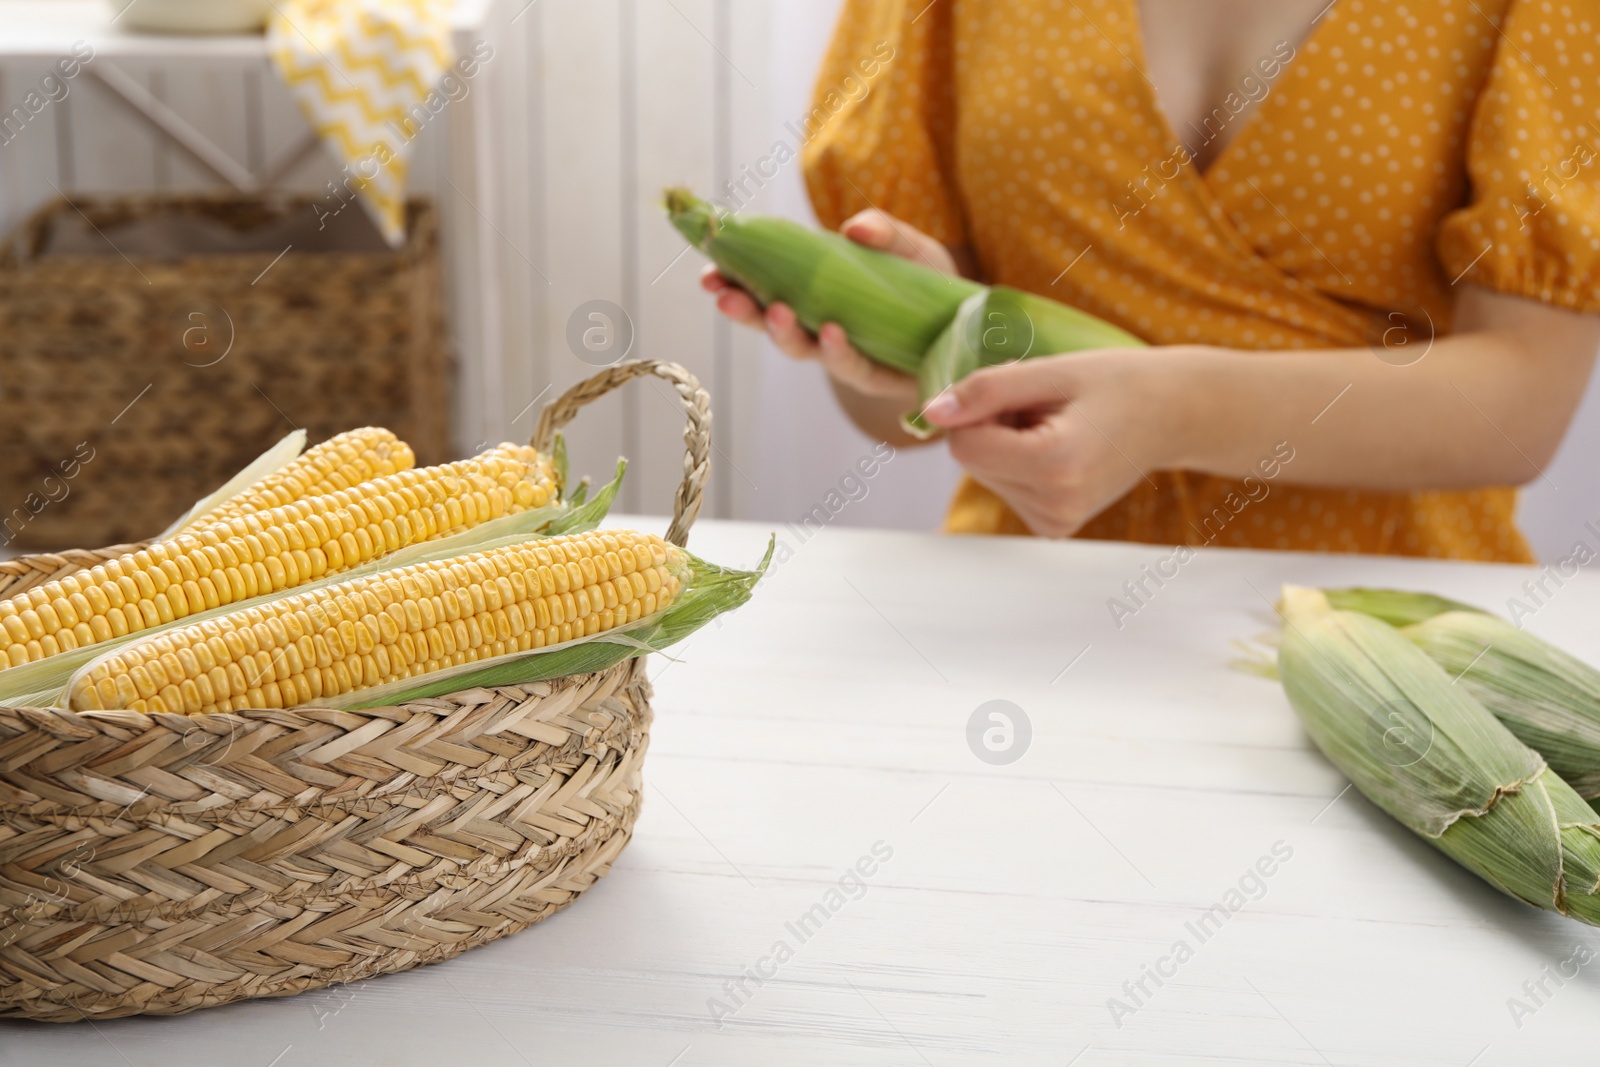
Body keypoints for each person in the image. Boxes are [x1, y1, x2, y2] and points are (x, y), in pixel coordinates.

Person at [701, 0, 1600, 559]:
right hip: (1027, 619)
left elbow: (1521, 406)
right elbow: (895, 418)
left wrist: (1170, 410)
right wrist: (921, 342)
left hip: (1394, 648)